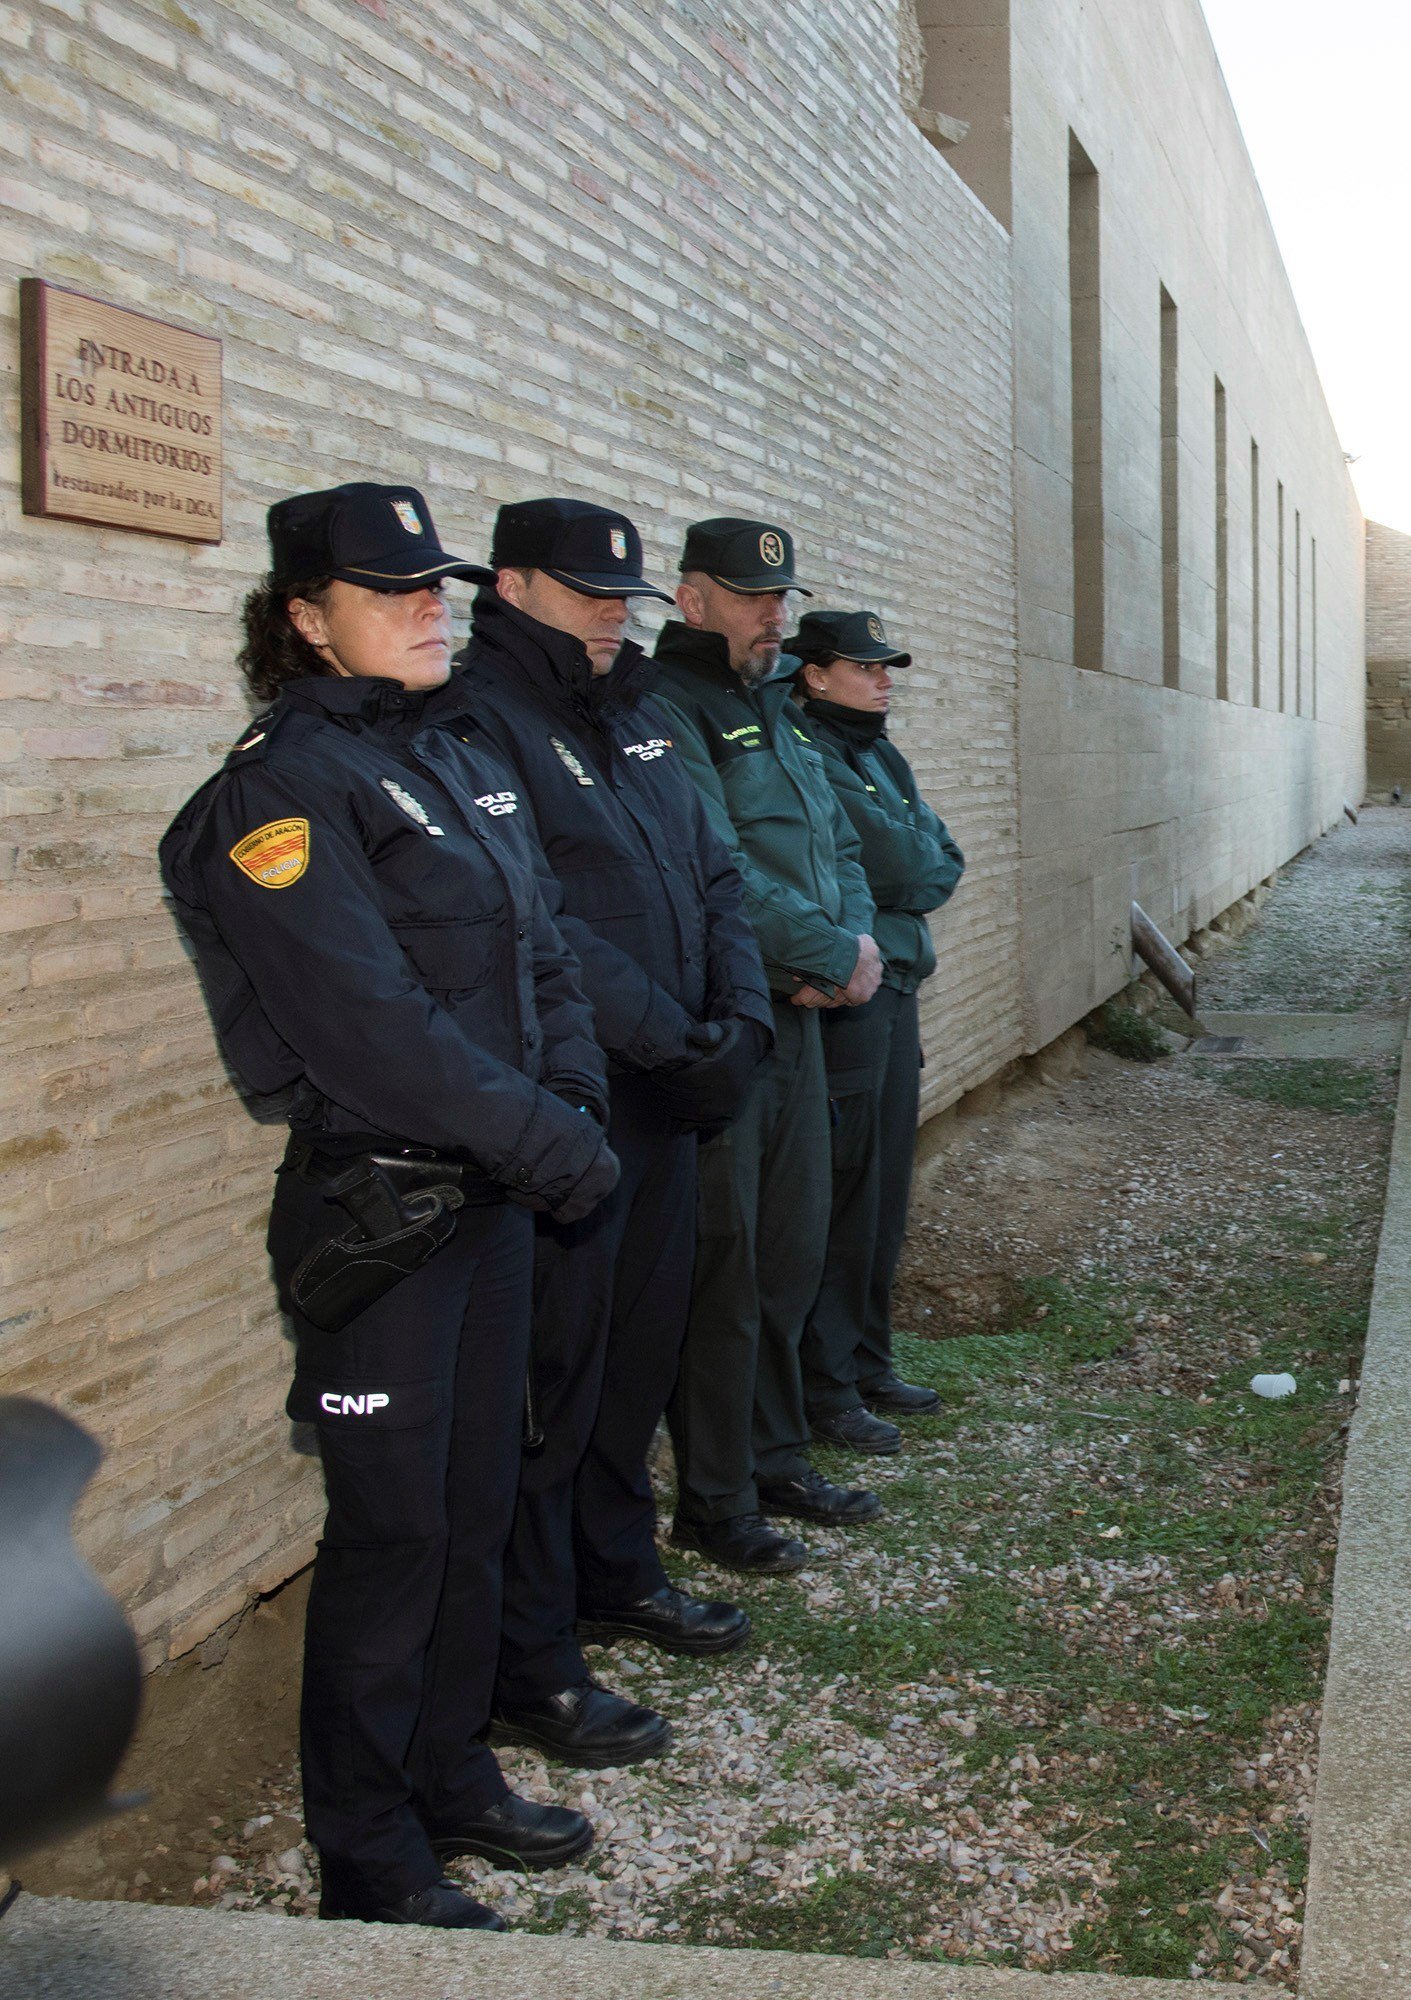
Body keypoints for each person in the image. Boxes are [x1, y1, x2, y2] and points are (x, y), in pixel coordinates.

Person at [160, 484, 621, 1929]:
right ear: (303, 618)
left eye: (437, 585)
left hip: (490, 1201)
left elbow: (539, 954)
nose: (432, 606)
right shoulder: (278, 792)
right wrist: (553, 1140)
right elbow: (368, 1028)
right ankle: (368, 1853)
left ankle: (450, 1773)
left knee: (475, 1505)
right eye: (391, 588)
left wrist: (570, 1112)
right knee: (391, 1539)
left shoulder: (443, 751)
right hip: (386, 1223)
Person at [438, 499, 777, 1770]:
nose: (605, 613)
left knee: (636, 1356)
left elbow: (715, 872)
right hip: (583, 1098)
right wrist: (671, 1042)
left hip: (679, 1087)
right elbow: (541, 924)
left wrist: (738, 1016)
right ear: (511, 583)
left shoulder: (635, 711)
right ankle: (536, 1644)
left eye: (619, 595)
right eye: (582, 590)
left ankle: (617, 1567)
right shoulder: (478, 717)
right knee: (556, 1379)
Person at [650, 517, 884, 1572]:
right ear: (692, 597)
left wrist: (857, 941)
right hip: (732, 1017)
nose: (772, 616)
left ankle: (779, 1453)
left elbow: (833, 837)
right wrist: (824, 945)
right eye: (751, 597)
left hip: (801, 1008)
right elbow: (715, 863)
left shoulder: (775, 706)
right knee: (730, 1263)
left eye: (780, 599)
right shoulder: (673, 705)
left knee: (790, 1247)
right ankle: (717, 1492)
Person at [787, 610, 965, 1434]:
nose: (882, 679)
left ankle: (866, 1361)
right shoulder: (809, 750)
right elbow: (893, 863)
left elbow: (940, 860)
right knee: (847, 1195)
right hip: (853, 997)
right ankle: (826, 1384)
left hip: (895, 987)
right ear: (815, 673)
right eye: (865, 667)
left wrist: (916, 860)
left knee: (887, 1191)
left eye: (885, 666)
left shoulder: (876, 750)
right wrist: (914, 860)